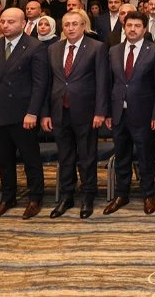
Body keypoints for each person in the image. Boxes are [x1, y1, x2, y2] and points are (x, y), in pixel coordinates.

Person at [0, 8, 49, 220]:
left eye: (10, 22)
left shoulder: (35, 46)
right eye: (3, 21)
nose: (5, 25)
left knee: (30, 159)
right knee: (4, 160)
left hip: (23, 114)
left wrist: (33, 112)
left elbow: (40, 84)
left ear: (23, 23)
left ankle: (35, 198)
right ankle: (7, 197)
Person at [41, 11, 109, 219]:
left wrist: (100, 111)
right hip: (59, 111)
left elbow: (102, 82)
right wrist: (45, 113)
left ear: (83, 26)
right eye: (67, 24)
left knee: (87, 157)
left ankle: (88, 196)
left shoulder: (97, 47)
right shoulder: (53, 49)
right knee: (65, 156)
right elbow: (47, 83)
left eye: (75, 24)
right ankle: (66, 196)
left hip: (86, 112)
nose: (70, 28)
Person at [104, 11, 155, 216]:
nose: (133, 29)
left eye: (137, 26)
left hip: (144, 114)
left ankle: (148, 194)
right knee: (121, 155)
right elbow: (108, 84)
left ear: (144, 29)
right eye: (129, 25)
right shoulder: (113, 51)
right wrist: (108, 113)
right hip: (118, 113)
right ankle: (122, 194)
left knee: (145, 156)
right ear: (124, 27)